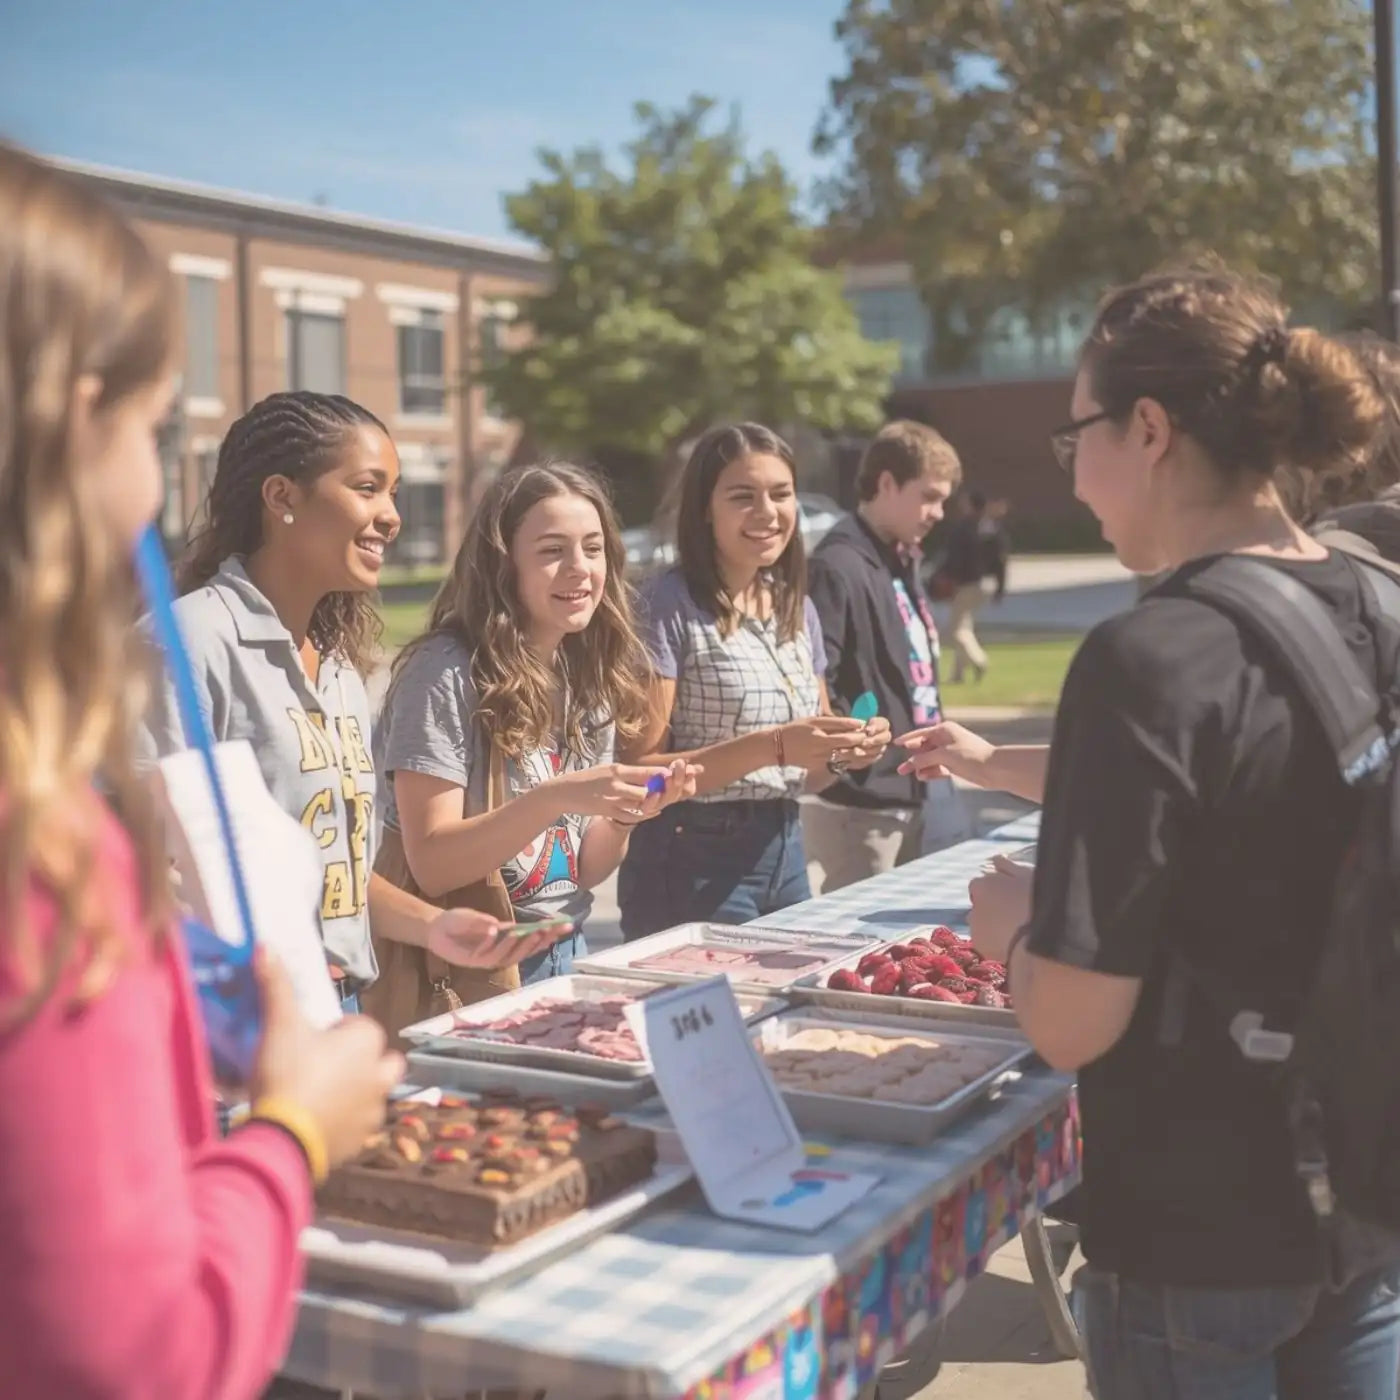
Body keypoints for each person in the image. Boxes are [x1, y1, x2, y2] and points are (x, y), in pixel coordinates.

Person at [0, 144, 404, 1399]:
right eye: (150, 424)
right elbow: (127, 1350)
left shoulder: (338, 652)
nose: (147, 478)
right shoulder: (40, 835)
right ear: (74, 416)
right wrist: (289, 1135)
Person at [960, 263, 1400, 1398]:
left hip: (1195, 1228)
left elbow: (1067, 1018)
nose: (1076, 470)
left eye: (1075, 436)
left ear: (1145, 428)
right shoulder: (1375, 605)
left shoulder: (1144, 656)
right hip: (1364, 1195)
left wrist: (1008, 929)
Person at [141, 392, 557, 1012]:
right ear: (281, 497)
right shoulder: (184, 643)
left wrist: (431, 926)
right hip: (231, 1029)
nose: (391, 515)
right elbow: (125, 868)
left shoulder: (336, 668)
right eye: (368, 488)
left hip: (339, 1009)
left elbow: (334, 873)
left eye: (392, 492)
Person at [378, 462, 697, 984]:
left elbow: (579, 873)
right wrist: (557, 796)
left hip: (564, 950)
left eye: (593, 549)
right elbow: (432, 864)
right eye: (552, 551)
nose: (580, 569)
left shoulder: (588, 670)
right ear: (504, 567)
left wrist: (623, 817)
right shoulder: (444, 671)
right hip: (467, 967)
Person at [618, 423, 889, 937]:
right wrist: (773, 747)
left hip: (786, 848)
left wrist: (846, 750)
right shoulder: (666, 605)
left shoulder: (796, 607)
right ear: (704, 509)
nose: (768, 513)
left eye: (781, 494)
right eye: (743, 496)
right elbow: (639, 775)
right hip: (690, 859)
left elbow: (810, 773)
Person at [804, 420, 959, 892]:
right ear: (887, 483)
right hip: (862, 802)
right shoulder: (837, 565)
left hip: (909, 787)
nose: (938, 513)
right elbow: (816, 680)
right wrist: (852, 759)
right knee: (861, 944)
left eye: (944, 501)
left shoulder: (899, 557)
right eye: (929, 496)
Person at [935, 491, 1009, 683]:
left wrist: (944, 577)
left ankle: (979, 660)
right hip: (984, 583)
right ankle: (958, 675)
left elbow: (954, 558)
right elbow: (1000, 560)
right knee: (965, 626)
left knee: (956, 630)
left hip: (966, 583)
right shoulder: (989, 527)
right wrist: (1000, 588)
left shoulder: (964, 528)